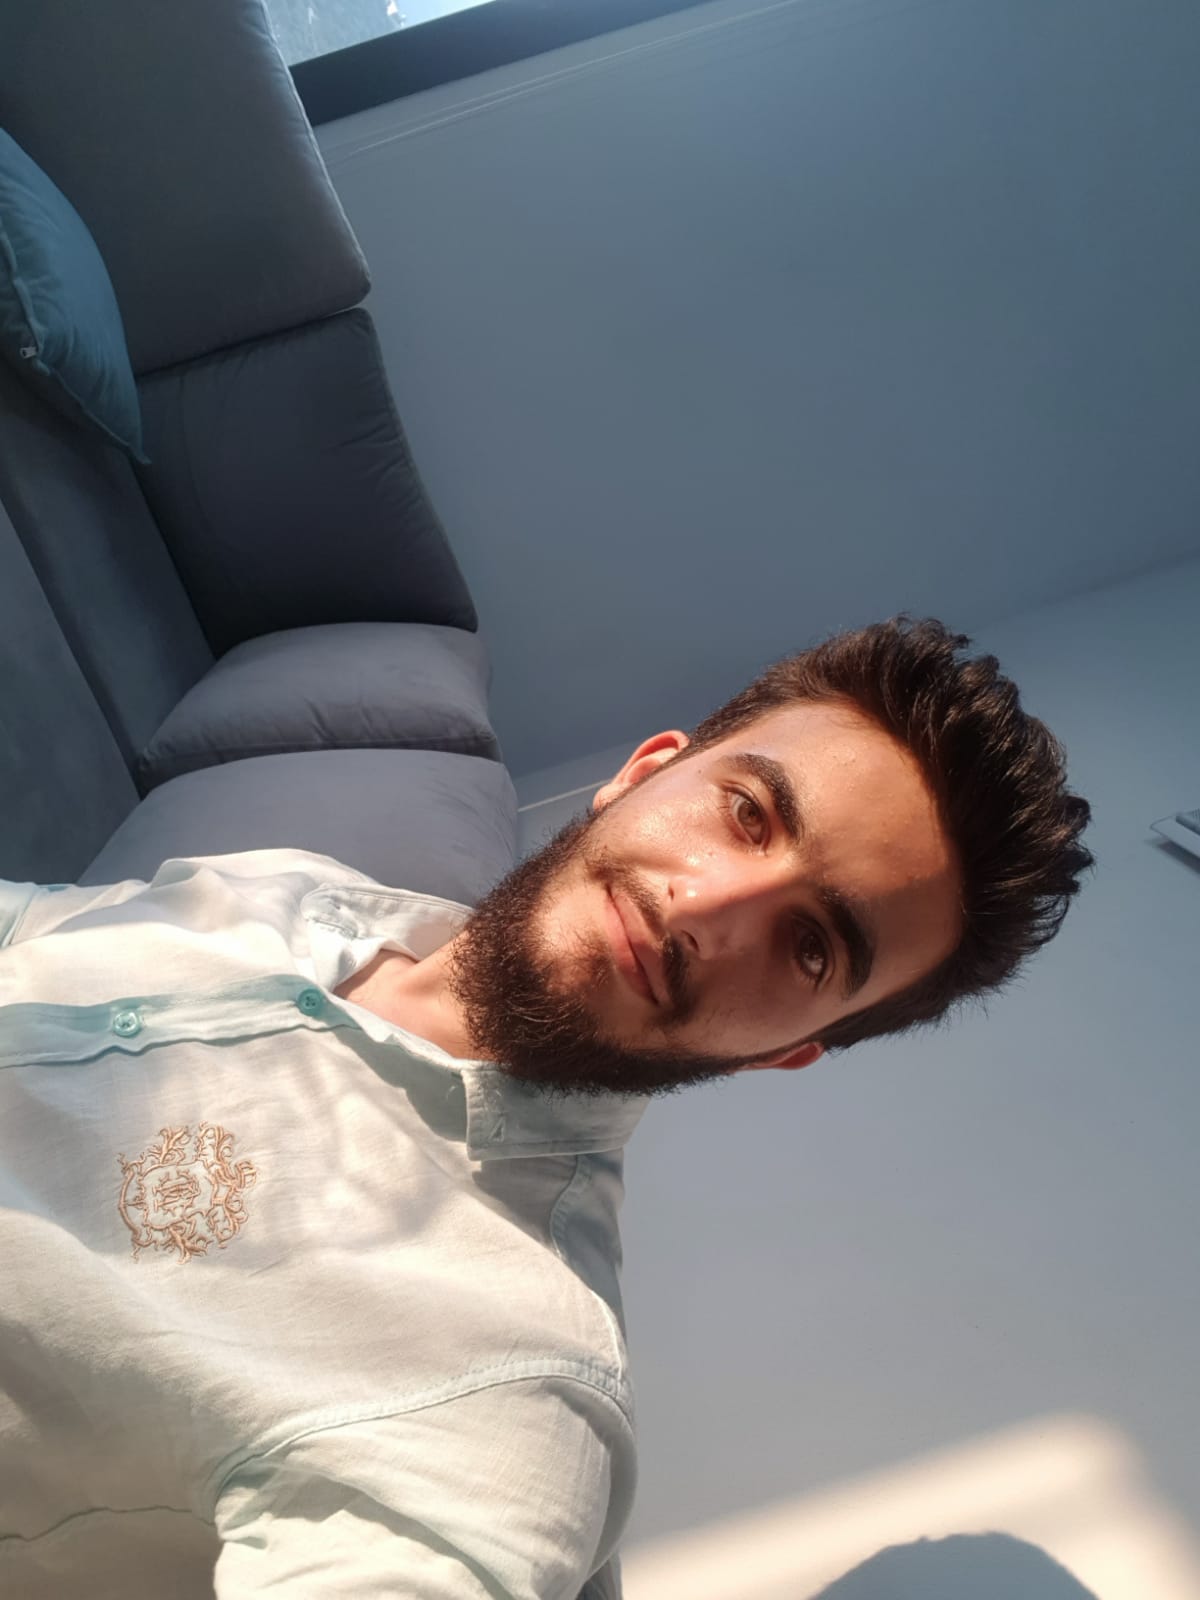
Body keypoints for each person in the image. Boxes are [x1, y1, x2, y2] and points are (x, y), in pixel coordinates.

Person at [0, 617, 1093, 1600]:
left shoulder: (507, 1391)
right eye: (747, 814)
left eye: (811, 945)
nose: (705, 908)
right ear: (645, 771)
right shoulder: (296, 892)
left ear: (788, 1052)